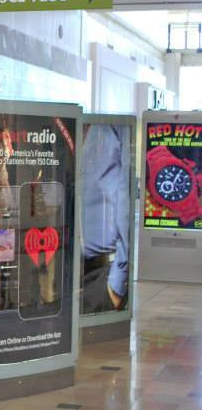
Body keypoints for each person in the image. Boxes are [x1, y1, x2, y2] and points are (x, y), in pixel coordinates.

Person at [82, 123, 130, 313]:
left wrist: (117, 283)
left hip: (101, 274)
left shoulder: (111, 125)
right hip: (59, 268)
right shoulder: (60, 122)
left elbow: (126, 197)